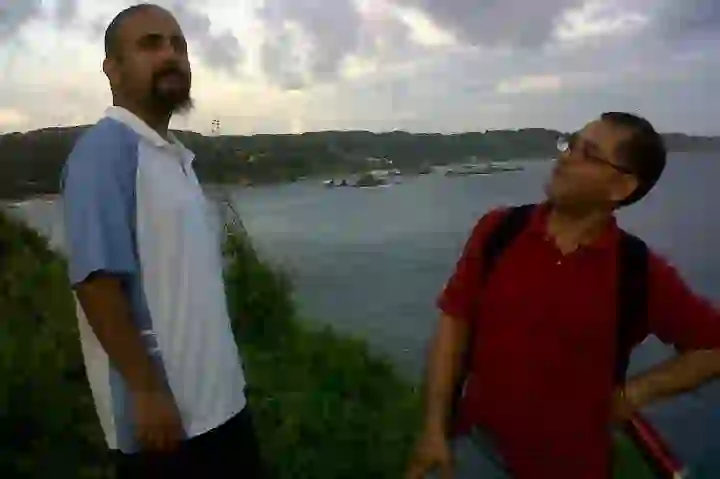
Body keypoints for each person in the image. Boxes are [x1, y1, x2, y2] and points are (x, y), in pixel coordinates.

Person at [406, 112, 720, 479]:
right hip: (476, 446)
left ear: (621, 186)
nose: (566, 157)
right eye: (571, 144)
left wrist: (635, 393)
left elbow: (713, 348)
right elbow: (454, 325)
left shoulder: (637, 272)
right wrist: (434, 429)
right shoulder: (499, 230)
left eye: (588, 153)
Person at [61, 4, 263, 477]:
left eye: (178, 45)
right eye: (150, 45)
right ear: (113, 69)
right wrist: (146, 391)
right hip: (169, 427)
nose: (171, 55)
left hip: (221, 406)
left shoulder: (172, 157)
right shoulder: (104, 154)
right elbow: (95, 282)